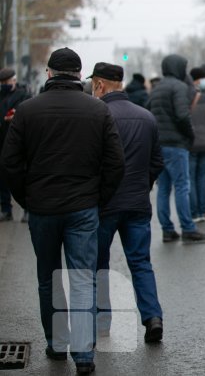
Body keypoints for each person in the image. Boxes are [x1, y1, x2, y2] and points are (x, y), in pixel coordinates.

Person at [0, 47, 125, 375]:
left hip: (42, 208)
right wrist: (98, 198)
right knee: (83, 278)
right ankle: (84, 355)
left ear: (50, 73)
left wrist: (26, 198)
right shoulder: (97, 111)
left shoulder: (27, 111)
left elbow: (10, 163)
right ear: (79, 74)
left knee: (48, 277)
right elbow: (116, 163)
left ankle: (56, 344)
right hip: (83, 207)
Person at [89, 62, 165, 343]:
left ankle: (102, 320)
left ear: (99, 85)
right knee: (141, 263)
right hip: (137, 204)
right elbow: (157, 162)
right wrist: (142, 186)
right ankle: (152, 317)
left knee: (98, 264)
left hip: (104, 205)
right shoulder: (146, 116)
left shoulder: (97, 115)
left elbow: (91, 163)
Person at [146, 54, 205, 242]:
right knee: (182, 186)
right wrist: (190, 135)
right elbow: (183, 115)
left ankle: (167, 229)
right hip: (176, 145)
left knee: (164, 188)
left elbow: (147, 110)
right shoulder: (179, 87)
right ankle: (188, 228)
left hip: (159, 145)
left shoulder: (157, 88)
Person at [0, 67, 31, 222]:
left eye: (8, 81)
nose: (5, 84)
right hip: (2, 140)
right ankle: (6, 210)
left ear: (14, 80)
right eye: (2, 82)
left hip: (18, 141)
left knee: (22, 175)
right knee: (2, 178)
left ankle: (27, 209)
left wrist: (15, 117)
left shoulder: (23, 96)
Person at [188, 67, 205, 223]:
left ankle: (194, 212)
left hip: (191, 144)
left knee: (191, 178)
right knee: (203, 177)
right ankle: (202, 210)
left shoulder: (185, 98)